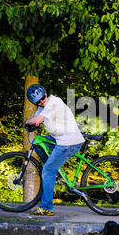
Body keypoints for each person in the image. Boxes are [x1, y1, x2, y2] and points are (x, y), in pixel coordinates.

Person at [25, 84, 85, 216]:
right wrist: (32, 124)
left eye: (42, 98)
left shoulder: (54, 102)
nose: (42, 102)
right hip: (59, 139)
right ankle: (55, 171)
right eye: (38, 102)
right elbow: (37, 121)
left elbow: (37, 119)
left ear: (45, 94)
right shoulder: (41, 108)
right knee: (38, 142)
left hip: (69, 142)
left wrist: (27, 122)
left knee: (47, 171)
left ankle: (47, 208)